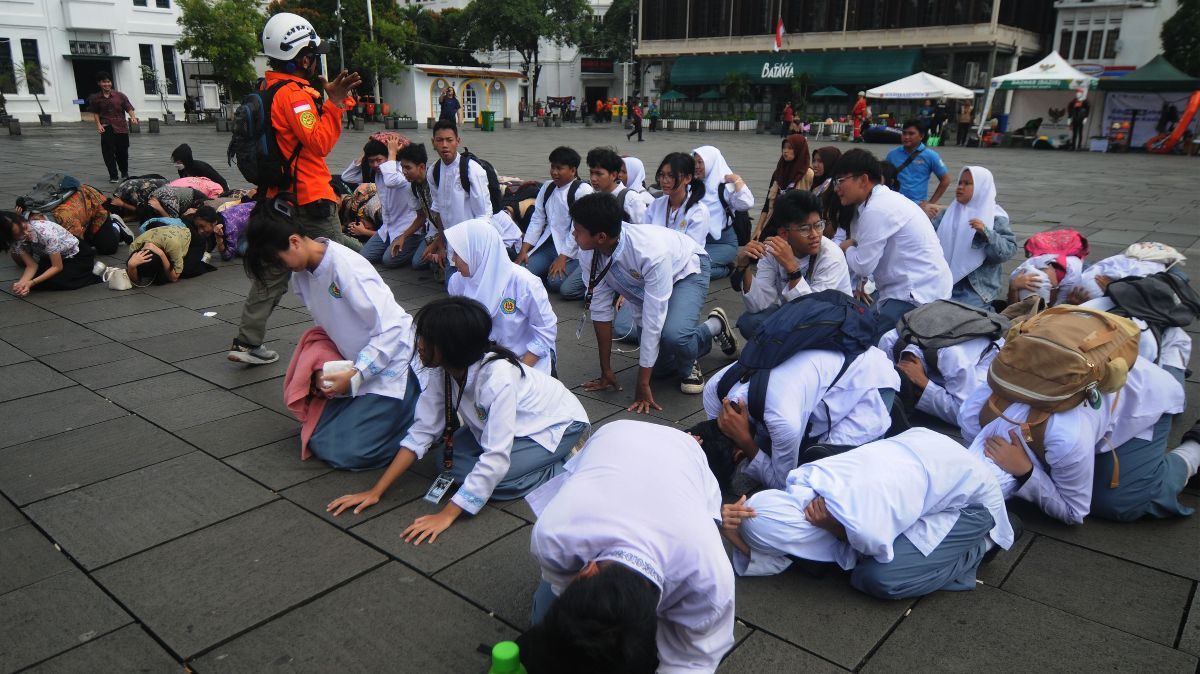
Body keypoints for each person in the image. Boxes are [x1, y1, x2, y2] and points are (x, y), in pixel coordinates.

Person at [326, 297, 589, 542]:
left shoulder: (498, 380)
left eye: (426, 340)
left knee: (498, 482)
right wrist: (376, 491)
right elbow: (423, 431)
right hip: (502, 426)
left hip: (556, 425)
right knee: (445, 463)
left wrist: (447, 515)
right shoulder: (443, 369)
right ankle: (524, 463)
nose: (419, 345)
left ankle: (563, 461)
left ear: (450, 347)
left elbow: (496, 456)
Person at [521, 420, 735, 673]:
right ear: (586, 571)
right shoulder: (555, 536)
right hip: (614, 435)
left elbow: (694, 660)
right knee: (550, 624)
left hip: (686, 452)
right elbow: (565, 596)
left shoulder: (708, 582)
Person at [720, 428, 1014, 600]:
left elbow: (870, 545)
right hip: (930, 447)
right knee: (880, 545)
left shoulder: (860, 525)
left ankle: (982, 546)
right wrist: (734, 531)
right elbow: (786, 541)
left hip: (975, 501)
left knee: (878, 577)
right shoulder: (803, 478)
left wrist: (838, 530)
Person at [245, 199, 421, 469]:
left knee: (345, 451)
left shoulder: (345, 267)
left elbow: (392, 328)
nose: (279, 268)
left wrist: (359, 373)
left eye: (277, 260)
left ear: (294, 242)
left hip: (393, 366)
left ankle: (418, 420)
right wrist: (323, 369)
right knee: (319, 434)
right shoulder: (301, 276)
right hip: (355, 364)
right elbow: (326, 327)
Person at [229, 12, 361, 366]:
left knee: (273, 269)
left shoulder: (269, 88)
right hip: (309, 198)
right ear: (302, 58)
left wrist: (329, 98)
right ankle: (365, 329)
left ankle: (246, 342)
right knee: (343, 261)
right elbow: (317, 142)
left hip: (278, 198)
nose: (316, 60)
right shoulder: (294, 96)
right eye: (313, 55)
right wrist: (333, 104)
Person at [575, 192, 736, 407]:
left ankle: (690, 357)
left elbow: (653, 319)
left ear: (601, 236)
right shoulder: (589, 252)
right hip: (647, 286)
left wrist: (642, 385)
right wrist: (606, 370)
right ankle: (714, 326)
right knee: (659, 369)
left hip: (687, 269)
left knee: (672, 335)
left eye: (578, 230)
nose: (573, 234)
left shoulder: (648, 252)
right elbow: (600, 310)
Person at [701, 336, 898, 492]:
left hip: (870, 380)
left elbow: (784, 485)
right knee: (773, 451)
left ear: (738, 453)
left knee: (819, 473)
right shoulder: (714, 389)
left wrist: (747, 444)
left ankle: (891, 415)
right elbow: (715, 439)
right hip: (835, 359)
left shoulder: (781, 420)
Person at [832, 149, 953, 341]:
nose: (836, 188)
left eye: (840, 181)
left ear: (863, 180)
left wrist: (847, 247)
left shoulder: (877, 209)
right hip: (926, 288)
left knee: (862, 343)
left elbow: (863, 266)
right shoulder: (885, 200)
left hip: (914, 296)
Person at [445, 220, 558, 376]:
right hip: (482, 362)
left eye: (457, 253)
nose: (452, 259)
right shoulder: (457, 282)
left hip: (525, 362)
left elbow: (546, 331)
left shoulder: (524, 282)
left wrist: (521, 372)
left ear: (477, 251)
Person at [734, 190, 853, 338]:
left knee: (784, 332)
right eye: (805, 229)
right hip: (794, 318)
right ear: (784, 233)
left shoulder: (831, 255)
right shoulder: (773, 250)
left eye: (818, 225)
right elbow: (759, 304)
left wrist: (792, 268)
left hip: (830, 324)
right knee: (750, 322)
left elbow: (813, 312)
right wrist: (744, 267)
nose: (815, 235)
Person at [928, 166, 1017, 309]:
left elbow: (1007, 252)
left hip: (975, 288)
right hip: (942, 281)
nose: (960, 187)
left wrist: (987, 233)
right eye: (960, 183)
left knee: (960, 316)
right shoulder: (948, 214)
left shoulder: (994, 217)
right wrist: (925, 218)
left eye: (967, 183)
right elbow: (926, 243)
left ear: (982, 187)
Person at [515, 146, 593, 298]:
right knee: (520, 272)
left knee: (555, 283)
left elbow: (577, 229)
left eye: (559, 168)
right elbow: (537, 219)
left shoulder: (583, 190)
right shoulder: (547, 187)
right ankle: (546, 269)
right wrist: (524, 250)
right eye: (552, 167)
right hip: (549, 244)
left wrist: (563, 258)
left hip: (574, 250)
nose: (554, 172)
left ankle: (586, 281)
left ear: (573, 170)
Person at [425, 120, 493, 271]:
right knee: (453, 288)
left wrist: (474, 251)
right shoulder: (433, 171)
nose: (444, 145)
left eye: (449, 140)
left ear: (458, 141)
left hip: (473, 244)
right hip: (450, 246)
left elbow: (484, 215)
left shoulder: (472, 170)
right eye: (439, 140)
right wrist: (441, 245)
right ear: (433, 142)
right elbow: (439, 211)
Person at [358, 135, 425, 269]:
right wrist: (363, 157)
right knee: (363, 257)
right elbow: (346, 176)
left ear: (388, 157)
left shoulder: (401, 170)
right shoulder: (378, 173)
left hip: (408, 228)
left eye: (379, 160)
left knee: (389, 261)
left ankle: (418, 243)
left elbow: (391, 181)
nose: (375, 165)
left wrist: (392, 153)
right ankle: (394, 245)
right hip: (387, 229)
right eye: (371, 161)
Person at [1, 210, 99, 295]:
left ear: (23, 220)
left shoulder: (44, 232)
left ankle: (97, 274)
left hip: (77, 254)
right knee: (37, 282)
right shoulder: (16, 241)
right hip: (52, 257)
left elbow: (57, 267)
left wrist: (31, 282)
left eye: (25, 228)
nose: (26, 234)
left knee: (56, 281)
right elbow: (31, 266)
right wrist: (22, 283)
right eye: (19, 234)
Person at [692, 145, 752, 280]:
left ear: (711, 162)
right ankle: (718, 267)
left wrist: (737, 180)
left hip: (723, 243)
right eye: (694, 162)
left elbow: (747, 203)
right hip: (699, 241)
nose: (696, 166)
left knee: (694, 269)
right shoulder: (694, 185)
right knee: (685, 266)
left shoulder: (724, 185)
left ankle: (726, 270)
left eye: (700, 162)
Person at [643, 153, 710, 248]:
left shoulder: (698, 211)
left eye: (671, 176)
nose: (664, 181)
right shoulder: (656, 204)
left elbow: (690, 249)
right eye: (662, 175)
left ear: (687, 178)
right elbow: (643, 234)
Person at [753, 134, 813, 240]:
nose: (785, 151)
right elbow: (767, 204)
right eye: (784, 148)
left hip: (794, 227)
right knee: (755, 252)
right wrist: (758, 228)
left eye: (790, 148)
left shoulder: (808, 174)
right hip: (774, 222)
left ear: (799, 150)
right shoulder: (779, 172)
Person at [126, 217, 215, 285]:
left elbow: (174, 278)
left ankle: (202, 257)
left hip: (190, 238)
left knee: (186, 271)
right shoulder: (135, 246)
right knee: (163, 276)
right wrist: (131, 266)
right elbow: (136, 281)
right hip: (165, 233)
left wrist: (161, 254)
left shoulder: (173, 245)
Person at [886, 119, 951, 213]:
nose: (906, 137)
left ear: (921, 136)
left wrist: (931, 203)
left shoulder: (931, 155)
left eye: (911, 134)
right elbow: (884, 179)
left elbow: (945, 180)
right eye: (904, 133)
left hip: (917, 207)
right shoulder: (892, 155)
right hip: (894, 205)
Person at [87, 72, 137, 184]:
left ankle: (124, 172)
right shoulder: (96, 98)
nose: (107, 84)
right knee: (108, 152)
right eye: (104, 82)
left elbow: (128, 107)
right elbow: (95, 112)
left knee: (122, 152)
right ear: (99, 83)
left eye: (108, 81)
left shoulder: (120, 96)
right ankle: (113, 175)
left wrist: (133, 117)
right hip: (106, 127)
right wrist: (98, 125)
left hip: (121, 127)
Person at [588, 146, 648, 224]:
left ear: (613, 175)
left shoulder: (631, 199)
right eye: (591, 173)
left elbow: (644, 229)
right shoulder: (592, 195)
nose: (593, 178)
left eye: (598, 174)